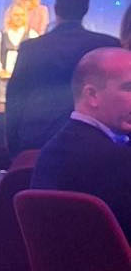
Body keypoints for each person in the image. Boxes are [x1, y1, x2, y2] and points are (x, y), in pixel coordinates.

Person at [5, 0, 121, 152]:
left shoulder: (32, 48)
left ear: (56, 9)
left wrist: (13, 147)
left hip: (38, 138)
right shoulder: (107, 45)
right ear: (86, 10)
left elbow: (15, 97)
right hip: (95, 141)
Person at [32, 47, 131, 239]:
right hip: (110, 268)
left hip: (59, 268)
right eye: (129, 88)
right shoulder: (115, 160)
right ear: (92, 95)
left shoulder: (53, 150)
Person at [0, 3, 39, 115]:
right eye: (15, 15)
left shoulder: (32, 35)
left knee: (22, 113)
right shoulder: (0, 35)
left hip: (24, 81)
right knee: (3, 114)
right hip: (3, 81)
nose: (19, 18)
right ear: (10, 16)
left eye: (21, 15)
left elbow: (37, 58)